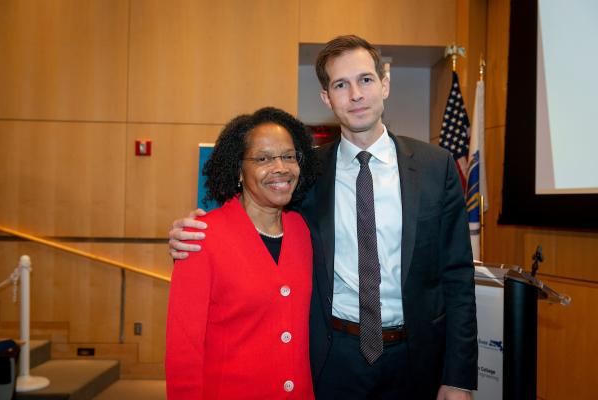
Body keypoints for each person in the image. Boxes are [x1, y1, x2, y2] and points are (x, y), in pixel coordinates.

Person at [169, 35, 477, 399]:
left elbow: (457, 276)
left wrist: (458, 376)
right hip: (332, 360)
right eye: (340, 85)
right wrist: (191, 231)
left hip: (418, 358)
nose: (356, 95)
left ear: (385, 84)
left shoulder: (433, 167)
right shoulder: (305, 172)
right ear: (327, 99)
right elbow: (256, 213)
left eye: (365, 80)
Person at [165, 107, 318, 399]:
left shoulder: (304, 230)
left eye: (288, 156)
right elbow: (183, 349)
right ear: (238, 169)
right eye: (263, 158)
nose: (281, 168)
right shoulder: (201, 237)